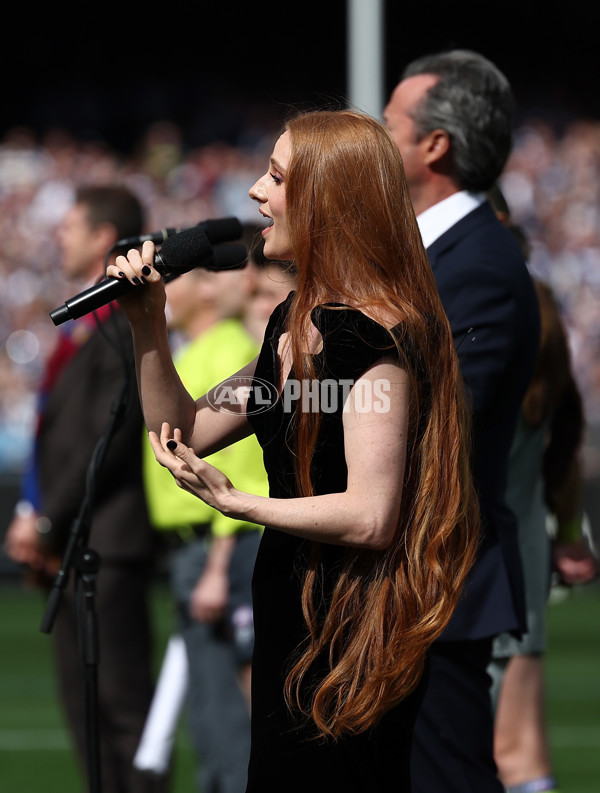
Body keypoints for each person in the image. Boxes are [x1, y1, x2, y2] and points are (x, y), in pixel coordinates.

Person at [107, 108, 480, 793]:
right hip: (291, 603)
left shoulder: (372, 333)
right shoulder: (292, 317)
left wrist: (236, 501)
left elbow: (372, 515)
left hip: (354, 628)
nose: (255, 191)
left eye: (276, 176)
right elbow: (184, 426)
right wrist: (148, 325)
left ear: (327, 198)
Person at [384, 50, 541, 792]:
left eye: (389, 124)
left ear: (434, 146)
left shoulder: (476, 261)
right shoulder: (422, 252)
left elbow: (438, 420)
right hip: (398, 579)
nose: (374, 141)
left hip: (433, 581)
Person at [4, 186, 166, 793]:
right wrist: (37, 513)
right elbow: (58, 433)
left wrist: (47, 517)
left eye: (69, 226)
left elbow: (110, 433)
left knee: (123, 712)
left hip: (107, 541)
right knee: (84, 712)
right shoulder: (84, 320)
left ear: (103, 238)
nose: (57, 237)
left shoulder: (122, 322)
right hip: (72, 539)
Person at [138, 248, 268, 792]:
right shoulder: (199, 348)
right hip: (195, 544)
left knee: (229, 702)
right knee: (210, 703)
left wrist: (218, 561)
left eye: (181, 278)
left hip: (224, 543)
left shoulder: (231, 349)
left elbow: (240, 467)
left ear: (211, 289)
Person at [485, 188, 598, 793]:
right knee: (518, 747)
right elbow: (567, 437)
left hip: (459, 551)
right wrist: (571, 531)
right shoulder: (543, 310)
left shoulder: (475, 307)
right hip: (521, 544)